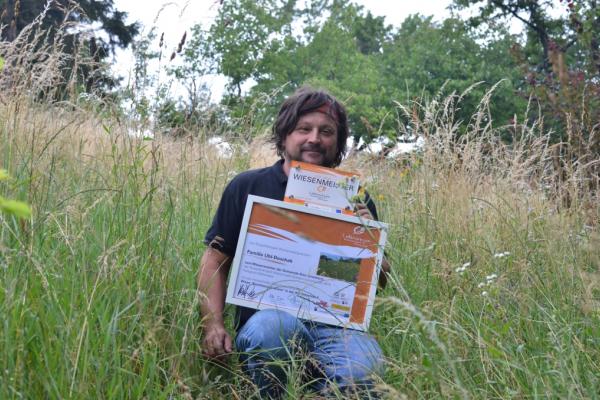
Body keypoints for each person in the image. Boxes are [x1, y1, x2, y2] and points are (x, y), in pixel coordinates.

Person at [198, 86, 388, 398]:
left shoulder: (356, 198)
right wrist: (213, 325)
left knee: (363, 369)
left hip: (336, 326)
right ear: (285, 135)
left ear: (337, 142)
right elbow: (215, 259)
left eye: (326, 131)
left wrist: (368, 246)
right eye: (304, 129)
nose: (315, 138)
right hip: (270, 319)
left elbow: (376, 282)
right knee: (272, 331)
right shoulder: (249, 186)